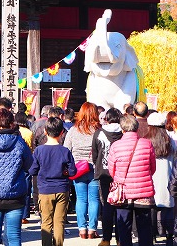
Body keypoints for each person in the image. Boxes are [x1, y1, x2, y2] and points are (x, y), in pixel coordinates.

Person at [0, 108, 33, 246]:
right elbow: (29, 164)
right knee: (14, 236)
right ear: (11, 123)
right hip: (15, 195)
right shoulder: (19, 142)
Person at [108, 114, 156, 246]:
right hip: (144, 192)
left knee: (124, 227)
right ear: (136, 128)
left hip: (123, 193)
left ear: (122, 129)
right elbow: (152, 168)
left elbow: (112, 170)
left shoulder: (116, 146)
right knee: (145, 229)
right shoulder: (147, 144)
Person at [29, 117, 76, 246]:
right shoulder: (65, 151)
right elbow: (72, 172)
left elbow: (32, 170)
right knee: (59, 222)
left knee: (46, 222)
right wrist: (64, 172)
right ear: (62, 132)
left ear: (45, 131)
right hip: (62, 188)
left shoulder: (39, 151)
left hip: (45, 190)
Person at [64, 102, 101, 239]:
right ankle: (92, 229)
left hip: (78, 169)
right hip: (94, 168)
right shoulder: (98, 130)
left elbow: (66, 150)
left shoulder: (73, 130)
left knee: (81, 199)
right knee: (94, 199)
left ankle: (82, 229)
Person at [91, 108, 123, 246]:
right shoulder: (123, 133)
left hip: (104, 173)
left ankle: (106, 238)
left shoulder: (99, 133)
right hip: (121, 174)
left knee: (107, 206)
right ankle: (121, 238)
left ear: (107, 118)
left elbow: (95, 154)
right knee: (121, 206)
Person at [146, 112, 174, 246]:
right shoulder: (170, 141)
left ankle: (152, 236)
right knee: (168, 208)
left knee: (151, 208)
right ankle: (169, 237)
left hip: (150, 178)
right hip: (168, 178)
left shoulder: (146, 142)